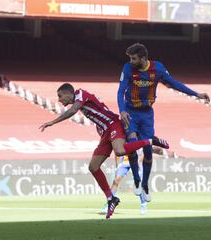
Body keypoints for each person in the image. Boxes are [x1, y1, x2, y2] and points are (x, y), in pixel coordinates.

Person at [39, 83, 156, 219]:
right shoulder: (82, 103)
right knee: (93, 167)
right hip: (106, 132)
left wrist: (52, 122)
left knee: (119, 151)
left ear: (69, 93)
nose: (59, 100)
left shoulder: (81, 94)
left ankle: (151, 141)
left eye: (60, 96)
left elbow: (72, 111)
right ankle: (111, 198)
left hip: (113, 124)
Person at [117, 43, 210, 202]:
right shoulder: (127, 68)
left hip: (146, 115)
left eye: (134, 58)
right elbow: (121, 91)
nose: (131, 61)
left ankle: (145, 184)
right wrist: (122, 110)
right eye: (130, 58)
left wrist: (196, 94)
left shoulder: (157, 68)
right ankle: (137, 180)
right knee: (132, 145)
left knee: (147, 149)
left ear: (143, 58)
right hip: (130, 113)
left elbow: (174, 84)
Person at [100, 137, 169, 215]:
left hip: (136, 162)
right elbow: (117, 152)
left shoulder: (138, 136)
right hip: (124, 162)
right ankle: (109, 204)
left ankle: (143, 205)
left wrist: (138, 162)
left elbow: (143, 151)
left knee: (138, 184)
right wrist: (117, 166)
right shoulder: (122, 136)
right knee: (116, 181)